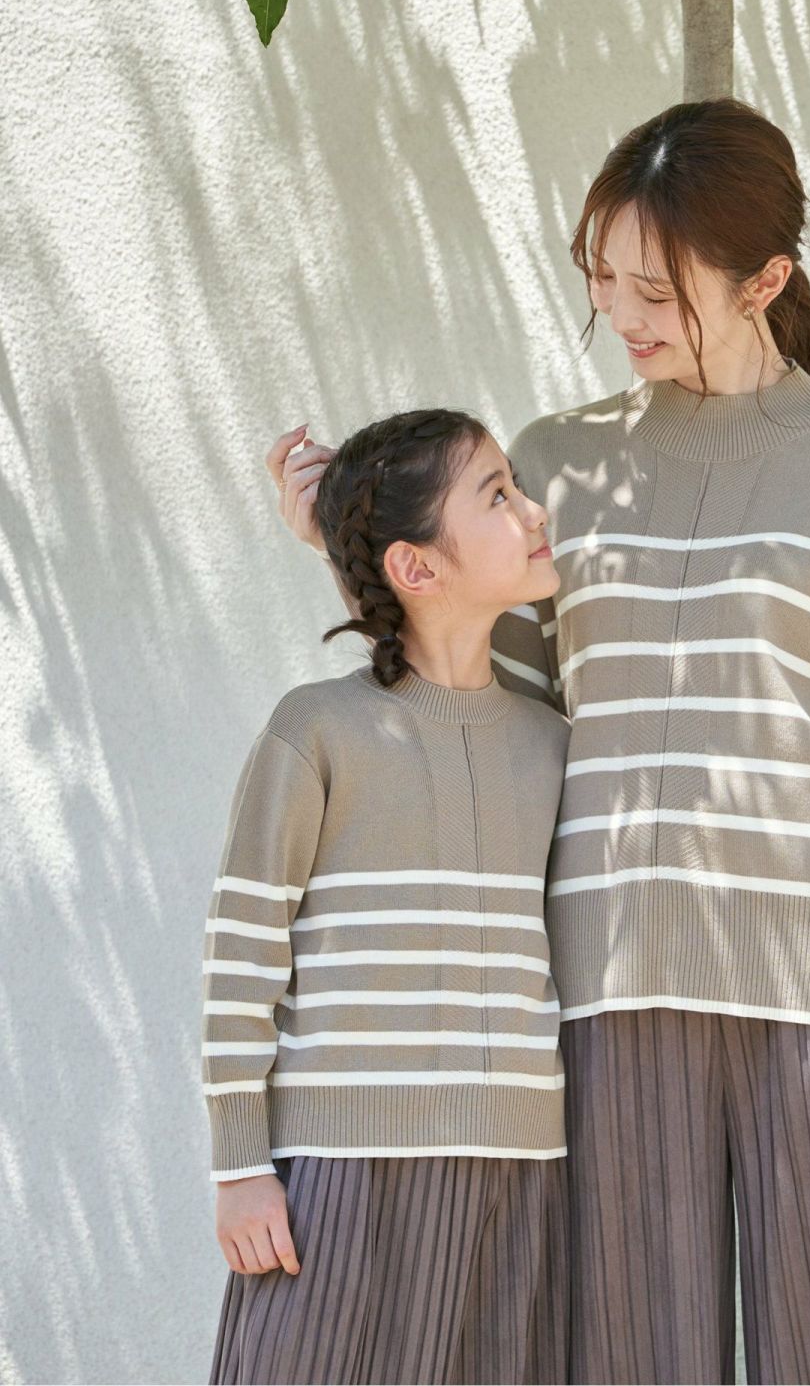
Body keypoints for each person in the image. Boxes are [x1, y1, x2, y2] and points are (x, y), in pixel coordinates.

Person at [270, 97, 810, 1386]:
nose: (621, 311)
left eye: (655, 288)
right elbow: (481, 706)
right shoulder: (559, 466)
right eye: (602, 277)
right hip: (609, 983)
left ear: (765, 280)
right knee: (623, 1358)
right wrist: (354, 557)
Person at [202, 408, 571, 1385]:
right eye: (498, 494)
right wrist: (240, 1167)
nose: (534, 511)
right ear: (415, 564)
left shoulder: (554, 745)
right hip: (339, 1172)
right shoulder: (317, 731)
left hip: (518, 1177)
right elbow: (242, 956)